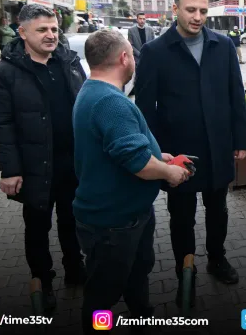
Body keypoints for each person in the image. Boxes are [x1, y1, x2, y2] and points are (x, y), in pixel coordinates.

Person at [135, 0, 246, 308]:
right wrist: (156, 153)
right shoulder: (156, 52)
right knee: (181, 217)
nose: (198, 17)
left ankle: (217, 258)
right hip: (178, 154)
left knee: (218, 210)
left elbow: (235, 94)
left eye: (203, 10)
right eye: (191, 10)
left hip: (217, 148)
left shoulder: (223, 45)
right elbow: (145, 109)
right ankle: (185, 270)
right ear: (175, 10)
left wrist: (240, 139)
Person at [72, 29, 190, 335]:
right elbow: (137, 163)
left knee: (136, 275)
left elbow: (121, 148)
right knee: (103, 295)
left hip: (125, 216)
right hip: (114, 223)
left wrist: (157, 154)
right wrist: (169, 172)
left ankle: (142, 318)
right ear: (124, 58)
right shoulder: (111, 103)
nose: (135, 60)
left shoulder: (93, 91)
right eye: (132, 54)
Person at [0, 4, 87, 311]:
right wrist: (10, 171)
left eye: (54, 29)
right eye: (42, 30)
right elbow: (1, 126)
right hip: (34, 168)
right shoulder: (3, 74)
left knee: (72, 220)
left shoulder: (69, 63)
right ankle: (42, 280)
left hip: (72, 164)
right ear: (22, 32)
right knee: (37, 228)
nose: (51, 35)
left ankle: (75, 269)